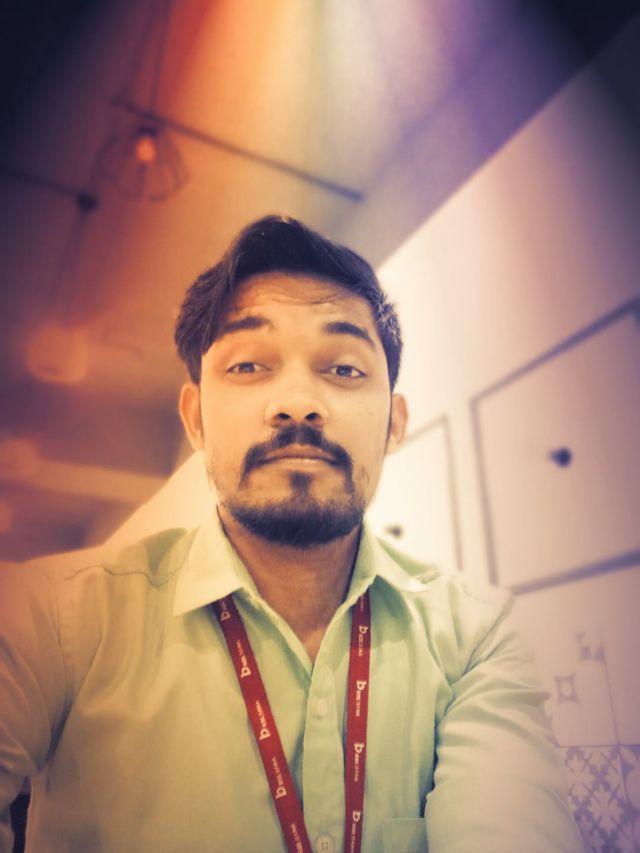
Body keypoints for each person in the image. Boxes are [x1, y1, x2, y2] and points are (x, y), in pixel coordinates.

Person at [0, 215, 581, 852]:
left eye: (345, 370)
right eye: (249, 365)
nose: (297, 402)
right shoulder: (54, 621)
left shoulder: (474, 637)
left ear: (394, 423)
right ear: (196, 420)